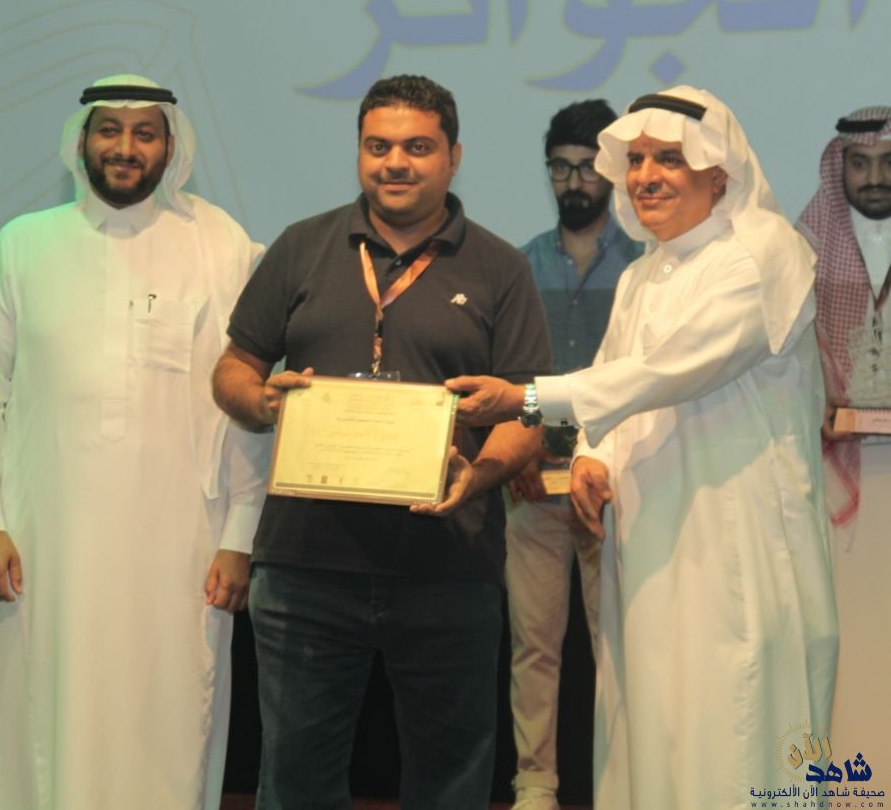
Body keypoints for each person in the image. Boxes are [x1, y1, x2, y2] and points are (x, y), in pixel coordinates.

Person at [448, 86, 838, 809]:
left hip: (735, 549)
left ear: (718, 172)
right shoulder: (642, 274)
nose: (645, 177)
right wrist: (592, 457)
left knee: (733, 727)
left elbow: (662, 372)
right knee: (648, 730)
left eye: (668, 159)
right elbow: (616, 390)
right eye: (635, 160)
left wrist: (525, 398)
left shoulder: (760, 254)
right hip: (647, 549)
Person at [212, 74, 550, 809]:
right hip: (304, 570)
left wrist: (480, 474)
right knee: (295, 782)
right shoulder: (301, 247)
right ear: (360, 152)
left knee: (450, 783)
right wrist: (262, 401)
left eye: (417, 147)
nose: (395, 162)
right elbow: (233, 368)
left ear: (454, 156)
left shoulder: (501, 268)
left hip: (449, 567)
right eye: (378, 146)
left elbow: (527, 409)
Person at [0, 74, 269, 810]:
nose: (126, 148)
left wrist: (241, 536)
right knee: (48, 717)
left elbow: (246, 401)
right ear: (82, 141)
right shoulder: (23, 245)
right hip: (43, 542)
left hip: (183, 544)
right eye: (110, 130)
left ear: (171, 147)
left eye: (145, 132)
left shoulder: (219, 243)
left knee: (172, 718)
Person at [506, 99, 642, 810]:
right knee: (533, 643)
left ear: (611, 172)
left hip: (614, 483)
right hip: (533, 479)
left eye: (587, 167)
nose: (574, 182)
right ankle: (536, 782)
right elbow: (512, 372)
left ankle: (623, 776)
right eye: (560, 168)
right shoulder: (519, 263)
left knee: (616, 640)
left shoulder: (646, 267)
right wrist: (523, 450)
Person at [797, 106, 890, 773]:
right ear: (841, 168)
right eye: (860, 163)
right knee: (852, 634)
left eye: (887, 163)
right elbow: (790, 356)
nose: (874, 177)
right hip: (838, 480)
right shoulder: (805, 247)